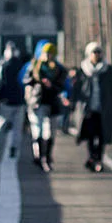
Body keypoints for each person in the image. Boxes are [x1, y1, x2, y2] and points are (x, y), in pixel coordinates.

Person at [74, 40, 112, 171]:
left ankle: (98, 159)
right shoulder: (83, 70)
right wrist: (74, 102)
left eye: (99, 52)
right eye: (94, 52)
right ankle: (91, 157)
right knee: (90, 135)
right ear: (89, 54)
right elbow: (77, 87)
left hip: (103, 108)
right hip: (88, 108)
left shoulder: (108, 69)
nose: (97, 54)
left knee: (101, 135)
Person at [25, 40, 69, 171]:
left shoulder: (59, 69)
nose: (48, 56)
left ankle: (47, 157)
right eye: (46, 53)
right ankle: (38, 156)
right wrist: (33, 84)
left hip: (52, 103)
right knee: (37, 129)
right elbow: (25, 80)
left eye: (50, 53)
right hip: (37, 102)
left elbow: (62, 86)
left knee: (49, 132)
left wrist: (52, 85)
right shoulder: (34, 66)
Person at [0, 41, 25, 158]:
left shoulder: (2, 65)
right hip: (16, 101)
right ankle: (11, 148)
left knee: (0, 124)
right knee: (15, 127)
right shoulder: (21, 65)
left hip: (7, 101)